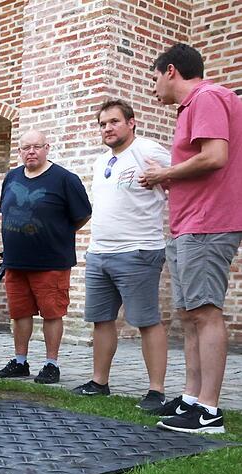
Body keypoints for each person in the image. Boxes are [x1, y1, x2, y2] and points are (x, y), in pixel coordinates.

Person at [140, 44, 242, 434]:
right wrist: (169, 175)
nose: (153, 89)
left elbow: (215, 156)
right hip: (188, 223)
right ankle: (192, 398)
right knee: (190, 313)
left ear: (170, 71)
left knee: (205, 311)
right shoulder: (194, 106)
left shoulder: (207, 96)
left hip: (208, 222)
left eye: (154, 79)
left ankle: (210, 411)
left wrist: (163, 174)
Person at [71, 99, 170, 411]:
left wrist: (162, 178)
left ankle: (156, 391)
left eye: (113, 121)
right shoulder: (102, 162)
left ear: (131, 122)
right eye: (102, 124)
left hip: (138, 250)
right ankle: (99, 382)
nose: (107, 128)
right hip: (100, 253)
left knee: (146, 321)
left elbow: (177, 180)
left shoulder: (148, 150)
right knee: (101, 320)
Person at [0, 130, 92, 384]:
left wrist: (58, 233)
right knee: (20, 314)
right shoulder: (12, 177)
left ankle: (51, 364)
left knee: (52, 314)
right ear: (19, 151)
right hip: (16, 261)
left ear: (47, 148)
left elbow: (82, 214)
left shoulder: (64, 179)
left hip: (51, 262)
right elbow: (4, 212)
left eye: (36, 146)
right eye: (25, 147)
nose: (31, 152)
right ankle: (20, 361)